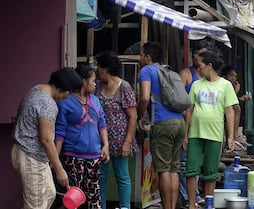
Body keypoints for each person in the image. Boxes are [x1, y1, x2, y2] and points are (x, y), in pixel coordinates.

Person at [11, 67, 82, 209]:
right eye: (69, 93)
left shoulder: (37, 89)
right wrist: (60, 170)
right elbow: (46, 140)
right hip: (31, 157)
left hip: (27, 152)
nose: (67, 97)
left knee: (49, 193)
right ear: (61, 87)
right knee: (36, 205)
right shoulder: (48, 104)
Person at [184, 50, 237, 209]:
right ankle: (192, 205)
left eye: (200, 65)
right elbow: (190, 110)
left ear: (210, 66)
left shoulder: (225, 85)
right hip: (195, 133)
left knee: (211, 172)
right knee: (191, 170)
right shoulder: (196, 85)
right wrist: (185, 134)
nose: (198, 69)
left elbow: (229, 111)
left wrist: (230, 136)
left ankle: (208, 204)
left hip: (214, 134)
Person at [137, 42, 185, 209]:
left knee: (163, 169)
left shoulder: (146, 71)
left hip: (162, 123)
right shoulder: (168, 70)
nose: (140, 58)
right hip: (179, 121)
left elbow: (144, 97)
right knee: (173, 169)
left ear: (148, 57)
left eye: (141, 55)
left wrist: (139, 114)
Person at [55, 65, 110, 209]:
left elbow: (102, 123)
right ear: (84, 81)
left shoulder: (95, 100)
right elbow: (60, 130)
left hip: (94, 155)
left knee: (93, 194)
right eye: (93, 80)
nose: (95, 83)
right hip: (73, 156)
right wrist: (55, 157)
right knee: (73, 196)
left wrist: (106, 145)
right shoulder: (66, 102)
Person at [95, 51, 139, 209]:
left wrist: (127, 143)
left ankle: (125, 207)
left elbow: (133, 117)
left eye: (98, 67)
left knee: (122, 176)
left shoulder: (124, 87)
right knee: (101, 176)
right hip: (101, 141)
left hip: (120, 141)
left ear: (105, 69)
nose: (96, 70)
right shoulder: (98, 86)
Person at [178, 40, 211, 207]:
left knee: (200, 164)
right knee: (186, 163)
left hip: (206, 128)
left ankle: (196, 195)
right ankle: (189, 198)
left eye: (202, 55)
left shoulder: (209, 77)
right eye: (196, 54)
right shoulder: (186, 74)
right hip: (188, 126)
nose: (199, 58)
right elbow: (176, 99)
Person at [220, 65, 251, 142]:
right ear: (225, 76)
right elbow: (227, 100)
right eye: (231, 75)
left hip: (226, 108)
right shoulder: (222, 84)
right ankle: (234, 135)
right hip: (219, 108)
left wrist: (242, 98)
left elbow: (232, 100)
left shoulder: (231, 86)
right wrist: (236, 92)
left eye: (235, 76)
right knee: (236, 108)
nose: (233, 78)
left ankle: (234, 135)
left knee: (236, 108)